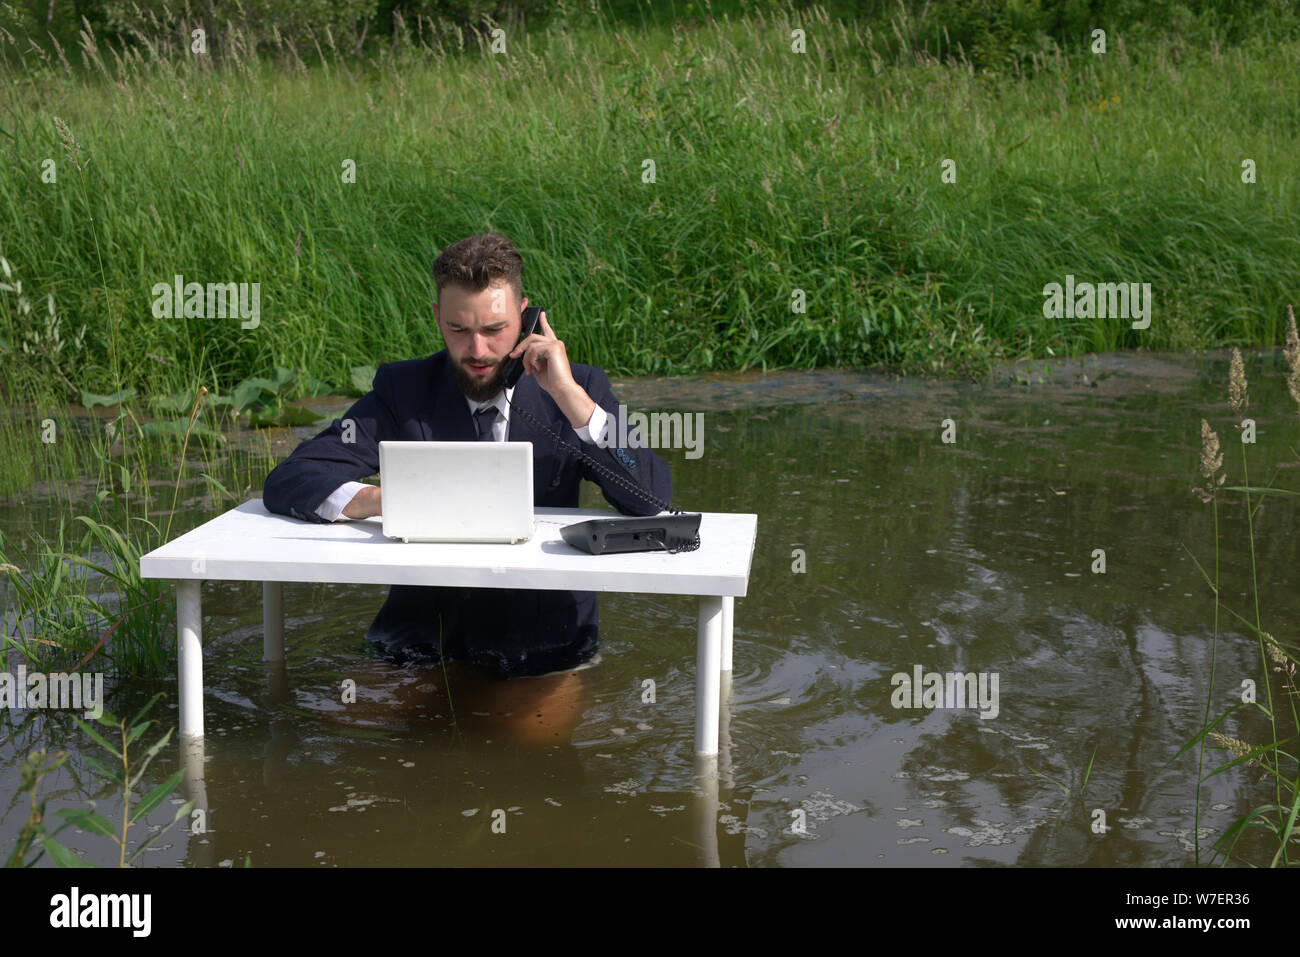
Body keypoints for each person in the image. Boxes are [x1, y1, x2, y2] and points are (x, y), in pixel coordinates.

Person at [262, 232, 673, 680]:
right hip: (420, 634)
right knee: (344, 728)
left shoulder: (580, 389)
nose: (478, 351)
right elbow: (293, 477)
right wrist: (388, 500)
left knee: (532, 743)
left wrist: (571, 400)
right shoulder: (405, 390)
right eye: (459, 330)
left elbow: (650, 497)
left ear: (526, 318)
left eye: (495, 330)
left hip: (546, 636)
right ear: (438, 319)